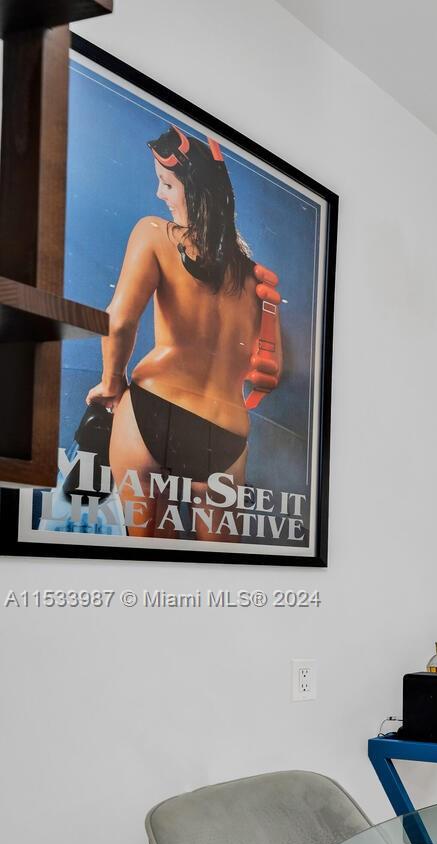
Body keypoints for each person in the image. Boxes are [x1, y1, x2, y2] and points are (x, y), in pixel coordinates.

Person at [84, 124, 280, 540]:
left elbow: (119, 321)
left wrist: (110, 384)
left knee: (153, 563)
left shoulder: (155, 234)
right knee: (219, 573)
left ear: (194, 191)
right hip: (226, 432)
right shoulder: (252, 278)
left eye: (167, 184)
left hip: (154, 407)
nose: (160, 195)